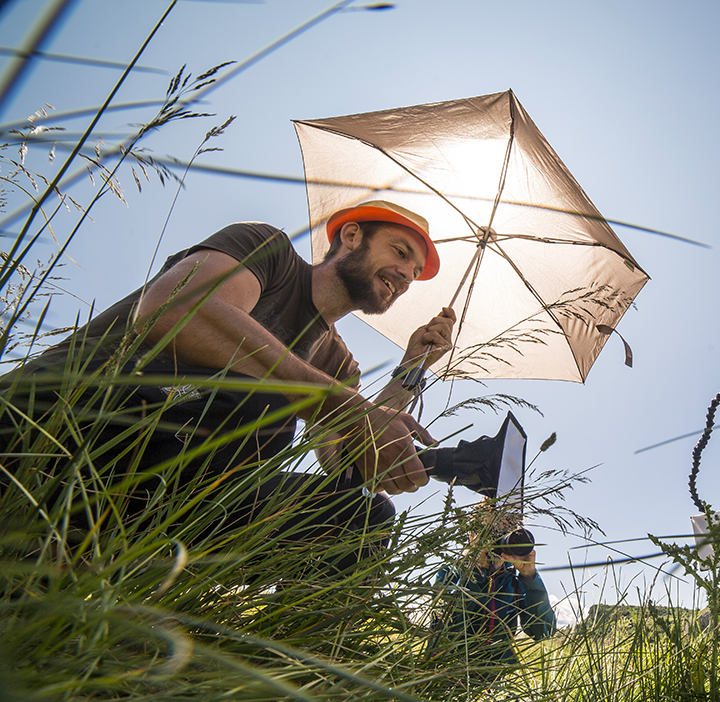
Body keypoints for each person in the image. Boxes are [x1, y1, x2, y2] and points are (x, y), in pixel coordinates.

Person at [1, 199, 455, 575]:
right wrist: (341, 406)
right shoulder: (268, 251)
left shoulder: (338, 365)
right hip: (58, 419)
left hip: (175, 488)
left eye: (415, 272)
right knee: (262, 397)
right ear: (352, 236)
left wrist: (410, 371)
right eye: (399, 252)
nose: (405, 275)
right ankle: (62, 551)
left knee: (363, 515)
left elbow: (353, 468)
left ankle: (285, 667)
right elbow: (177, 307)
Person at [427, 506, 556, 667]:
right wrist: (474, 573)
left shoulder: (515, 580)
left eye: (505, 532)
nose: (497, 539)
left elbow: (544, 633)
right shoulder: (450, 574)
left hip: (497, 675)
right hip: (449, 670)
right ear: (471, 534)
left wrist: (530, 577)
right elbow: (444, 630)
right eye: (490, 531)